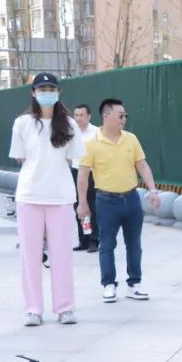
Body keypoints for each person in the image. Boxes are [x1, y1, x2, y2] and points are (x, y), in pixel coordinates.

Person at [9, 72, 87, 326]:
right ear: (33, 92)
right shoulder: (22, 123)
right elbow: (21, 157)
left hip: (60, 196)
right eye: (42, 89)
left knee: (62, 254)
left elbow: (72, 158)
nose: (47, 93)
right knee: (30, 255)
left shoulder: (69, 124)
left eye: (51, 89)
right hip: (29, 195)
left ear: (58, 93)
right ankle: (33, 309)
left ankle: (65, 307)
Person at [76, 98, 160, 303]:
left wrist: (153, 190)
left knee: (134, 244)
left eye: (125, 115)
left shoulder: (131, 139)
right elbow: (83, 175)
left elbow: (142, 165)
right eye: (120, 115)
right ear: (106, 116)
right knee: (107, 244)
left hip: (131, 198)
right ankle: (108, 284)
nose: (124, 118)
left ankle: (134, 284)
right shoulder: (91, 143)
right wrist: (82, 203)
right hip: (106, 201)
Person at [71, 104, 99, 252]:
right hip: (76, 171)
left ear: (89, 116)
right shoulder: (70, 132)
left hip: (92, 173)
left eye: (81, 115)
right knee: (79, 206)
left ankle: (94, 239)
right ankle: (84, 239)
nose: (78, 118)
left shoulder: (97, 132)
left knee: (92, 207)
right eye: (76, 115)